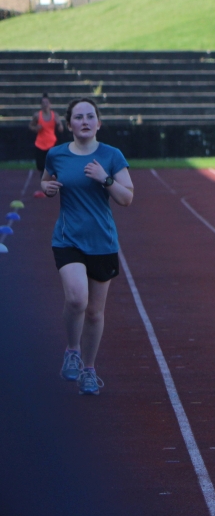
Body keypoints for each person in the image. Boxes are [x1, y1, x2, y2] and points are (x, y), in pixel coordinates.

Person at [41, 98, 134, 396]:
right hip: (68, 239)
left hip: (102, 242)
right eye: (78, 117)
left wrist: (104, 178)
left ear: (98, 123)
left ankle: (89, 370)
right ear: (69, 124)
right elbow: (46, 180)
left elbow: (127, 198)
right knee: (77, 299)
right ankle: (72, 350)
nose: (85, 121)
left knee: (94, 312)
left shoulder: (111, 155)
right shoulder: (56, 155)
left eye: (90, 116)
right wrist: (47, 188)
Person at [31, 93, 65, 197]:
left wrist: (58, 123)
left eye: (46, 102)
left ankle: (53, 186)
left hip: (51, 144)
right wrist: (36, 128)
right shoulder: (37, 115)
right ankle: (45, 186)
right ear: (41, 105)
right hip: (40, 144)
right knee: (41, 167)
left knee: (52, 166)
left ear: (50, 104)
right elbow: (31, 126)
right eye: (43, 103)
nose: (45, 104)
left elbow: (61, 129)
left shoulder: (55, 115)